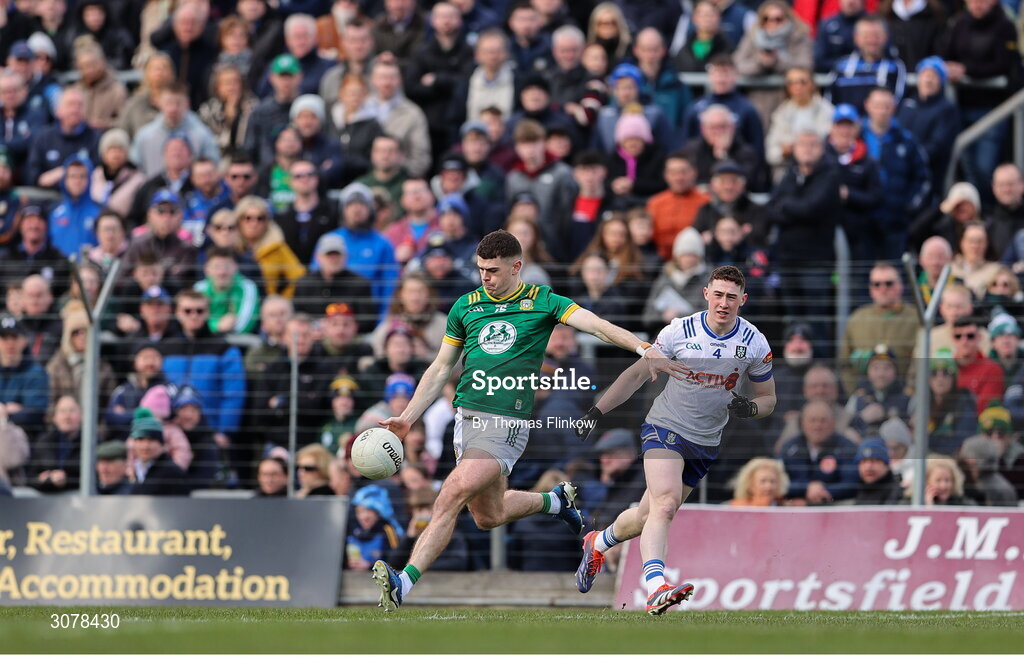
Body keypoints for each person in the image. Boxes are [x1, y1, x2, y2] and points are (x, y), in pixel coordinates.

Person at [370, 229, 686, 611]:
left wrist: (644, 347)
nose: (485, 277)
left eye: (493, 270)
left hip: (504, 424)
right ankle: (554, 503)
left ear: (517, 267)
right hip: (466, 420)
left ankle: (403, 582)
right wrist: (406, 418)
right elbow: (440, 368)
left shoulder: (543, 301)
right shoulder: (465, 306)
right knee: (489, 515)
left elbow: (596, 325)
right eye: (481, 269)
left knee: (451, 492)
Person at [571, 265, 774, 614]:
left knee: (647, 515)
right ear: (706, 294)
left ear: (743, 299)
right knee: (665, 504)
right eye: (718, 294)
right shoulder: (680, 331)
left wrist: (750, 409)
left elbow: (768, 398)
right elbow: (636, 373)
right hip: (665, 427)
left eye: (732, 297)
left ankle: (598, 541)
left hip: (705, 442)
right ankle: (655, 587)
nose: (724, 303)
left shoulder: (754, 342)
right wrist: (596, 412)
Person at [839, 263, 920, 393]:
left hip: (905, 397)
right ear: (870, 289)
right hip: (864, 398)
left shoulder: (917, 319)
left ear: (900, 286)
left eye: (889, 284)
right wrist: (855, 392)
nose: (883, 289)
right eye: (876, 284)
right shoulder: (857, 319)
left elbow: (922, 362)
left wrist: (909, 391)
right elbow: (845, 363)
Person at [896, 58, 959, 192]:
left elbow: (938, 145)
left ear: (941, 81)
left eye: (934, 75)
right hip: (901, 170)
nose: (928, 80)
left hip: (929, 174)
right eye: (925, 74)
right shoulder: (908, 103)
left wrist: (913, 159)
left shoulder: (947, 109)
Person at [778, 400, 860, 504]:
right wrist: (806, 489)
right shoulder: (789, 448)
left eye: (823, 420)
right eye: (812, 420)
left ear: (833, 423)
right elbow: (777, 482)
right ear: (802, 423)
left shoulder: (846, 447)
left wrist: (823, 491)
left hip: (834, 505)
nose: (817, 426)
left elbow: (852, 483)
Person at [826, 16, 906, 110]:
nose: (871, 40)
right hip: (846, 122)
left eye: (876, 35)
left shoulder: (895, 67)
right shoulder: (840, 66)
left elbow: (896, 103)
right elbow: (828, 103)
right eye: (866, 36)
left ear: (885, 37)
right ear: (856, 38)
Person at [646, 152, 709, 261]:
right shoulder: (655, 203)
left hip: (696, 262)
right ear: (666, 175)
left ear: (694, 173)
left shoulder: (706, 202)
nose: (678, 177)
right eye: (673, 172)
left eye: (683, 172)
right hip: (660, 263)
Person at [127, 408, 190, 496]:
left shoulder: (173, 474)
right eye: (140, 440)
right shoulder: (129, 471)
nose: (145, 446)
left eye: (151, 440)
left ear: (161, 444)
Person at [853, 436, 903, 504]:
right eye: (864, 461)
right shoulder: (856, 490)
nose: (868, 467)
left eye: (875, 461)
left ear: (887, 466)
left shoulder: (897, 496)